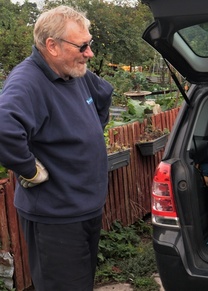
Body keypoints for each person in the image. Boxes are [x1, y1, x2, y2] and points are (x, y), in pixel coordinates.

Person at [0, 5, 113, 290]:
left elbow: (104, 94)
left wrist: (90, 131)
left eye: (90, 44)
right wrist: (29, 169)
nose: (90, 53)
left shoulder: (75, 72)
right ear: (52, 46)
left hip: (86, 209)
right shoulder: (28, 81)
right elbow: (3, 126)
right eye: (83, 46)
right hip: (56, 219)